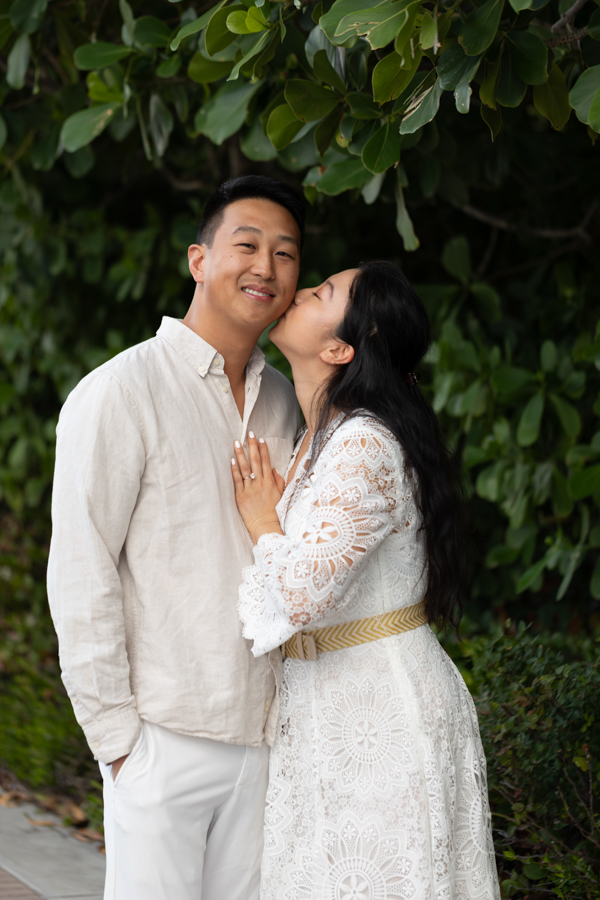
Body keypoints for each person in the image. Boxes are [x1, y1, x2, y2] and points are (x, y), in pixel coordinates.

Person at [47, 175, 304, 900]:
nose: (265, 267)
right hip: (163, 737)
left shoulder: (286, 401)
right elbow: (80, 569)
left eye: (285, 254)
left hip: (265, 738)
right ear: (199, 260)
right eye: (246, 245)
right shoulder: (120, 391)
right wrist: (119, 744)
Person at [232, 261, 501, 899]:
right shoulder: (320, 439)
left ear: (339, 348)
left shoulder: (363, 446)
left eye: (322, 293)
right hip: (333, 708)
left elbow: (300, 593)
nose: (298, 289)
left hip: (379, 716)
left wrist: (264, 521)